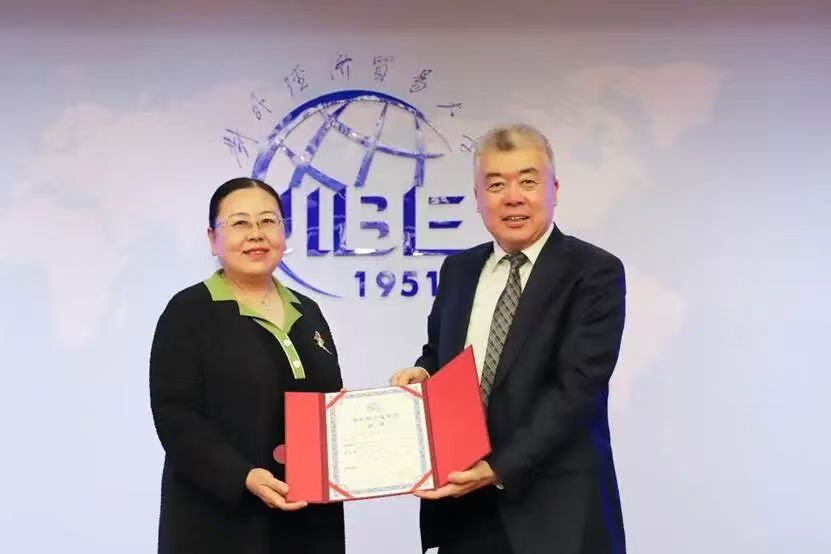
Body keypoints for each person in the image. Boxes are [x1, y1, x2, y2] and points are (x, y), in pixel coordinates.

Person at [391, 124, 627, 554]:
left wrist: (497, 468)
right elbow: (439, 353)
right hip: (463, 510)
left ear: (554, 189)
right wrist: (422, 373)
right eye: (496, 184)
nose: (513, 197)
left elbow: (577, 391)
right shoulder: (459, 270)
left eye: (528, 182)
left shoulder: (593, 272)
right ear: (477, 197)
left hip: (556, 513)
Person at [150, 177, 344, 553]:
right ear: (213, 239)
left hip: (309, 521)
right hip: (221, 522)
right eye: (240, 223)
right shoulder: (188, 312)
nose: (256, 234)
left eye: (268, 221)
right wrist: (244, 476)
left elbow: (329, 407)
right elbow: (176, 416)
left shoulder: (308, 311)